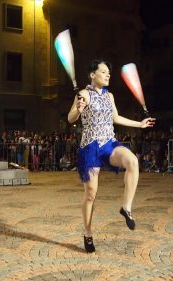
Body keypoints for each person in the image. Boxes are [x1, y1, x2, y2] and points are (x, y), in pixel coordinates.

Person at [67, 59, 155, 253]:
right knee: (91, 195)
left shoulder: (110, 96)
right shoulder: (83, 94)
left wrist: (139, 124)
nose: (108, 75)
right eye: (104, 72)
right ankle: (87, 233)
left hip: (109, 144)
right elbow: (70, 117)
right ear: (93, 75)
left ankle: (126, 208)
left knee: (132, 160)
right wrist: (78, 110)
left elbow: (116, 118)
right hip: (90, 148)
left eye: (109, 72)